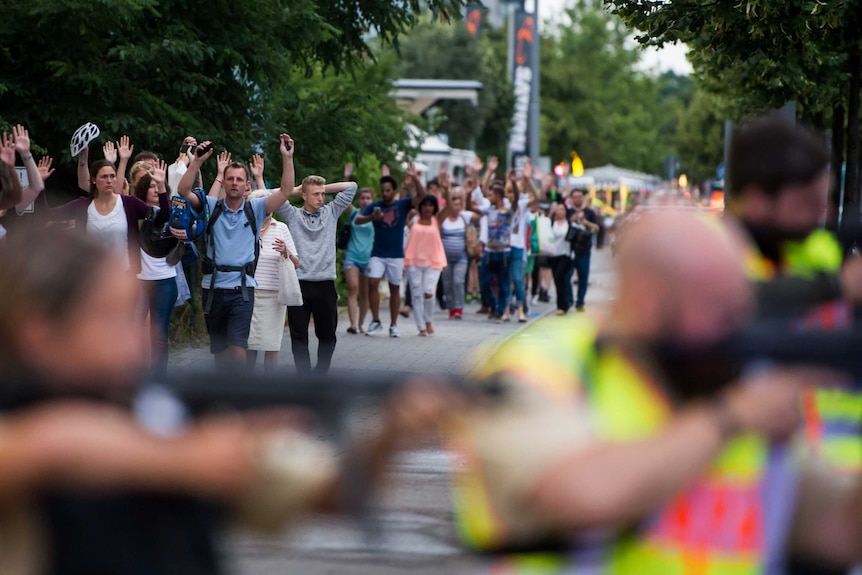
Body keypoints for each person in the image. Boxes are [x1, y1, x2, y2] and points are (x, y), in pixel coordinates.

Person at [0, 228, 452, 575]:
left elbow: (331, 496)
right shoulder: (22, 420)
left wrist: (390, 433)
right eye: (111, 319)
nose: (138, 338)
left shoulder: (160, 412)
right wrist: (181, 458)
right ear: (38, 332)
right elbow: (47, 446)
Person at [449, 209, 862, 573]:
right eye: (721, 312)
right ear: (649, 302)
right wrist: (728, 418)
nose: (738, 330)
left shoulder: (731, 385)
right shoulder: (541, 365)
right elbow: (580, 495)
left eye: (743, 309)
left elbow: (838, 535)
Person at [175, 135, 297, 366]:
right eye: (230, 178)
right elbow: (183, 191)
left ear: (246, 185)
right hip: (213, 288)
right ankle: (225, 395)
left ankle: (240, 397)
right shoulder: (211, 206)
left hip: (242, 290)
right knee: (220, 354)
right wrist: (197, 162)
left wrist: (287, 157)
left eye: (239, 179)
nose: (234, 182)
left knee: (238, 348)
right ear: (225, 181)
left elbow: (287, 191)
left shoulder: (256, 209)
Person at [277, 172, 357, 374]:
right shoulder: (292, 214)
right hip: (299, 283)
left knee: (328, 334)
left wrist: (323, 187)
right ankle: (304, 377)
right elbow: (265, 196)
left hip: (325, 283)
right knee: (298, 334)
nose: (320, 198)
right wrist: (293, 190)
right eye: (315, 194)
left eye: (322, 194)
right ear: (304, 195)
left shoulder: (331, 212)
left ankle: (321, 374)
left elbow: (352, 186)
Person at [356, 164, 427, 338]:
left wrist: (415, 178)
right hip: (377, 254)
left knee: (395, 288)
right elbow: (357, 220)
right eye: (383, 190)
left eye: (388, 190)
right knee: (372, 283)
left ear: (394, 190)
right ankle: (375, 321)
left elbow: (422, 197)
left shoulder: (402, 205)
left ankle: (394, 325)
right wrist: (372, 217)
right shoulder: (375, 206)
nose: (385, 193)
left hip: (395, 255)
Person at [132, 162, 179, 380]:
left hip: (164, 281)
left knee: (158, 333)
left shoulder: (168, 214)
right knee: (136, 330)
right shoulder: (136, 213)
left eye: (157, 186)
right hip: (139, 281)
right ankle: (138, 375)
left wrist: (161, 184)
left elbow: (165, 210)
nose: (154, 188)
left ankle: (158, 380)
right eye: (150, 186)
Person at [245, 189, 299, 372]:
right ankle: (247, 385)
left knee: (271, 344)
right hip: (247, 293)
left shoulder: (281, 227)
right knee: (249, 343)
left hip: (274, 295)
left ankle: (269, 385)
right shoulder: (244, 226)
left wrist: (286, 252)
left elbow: (297, 262)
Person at [404, 195, 448, 336]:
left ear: (434, 207)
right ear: (420, 206)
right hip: (414, 261)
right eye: (425, 205)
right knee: (417, 294)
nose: (427, 208)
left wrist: (447, 190)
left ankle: (428, 320)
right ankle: (421, 327)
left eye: (430, 205)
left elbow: (449, 209)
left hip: (433, 261)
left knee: (429, 292)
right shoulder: (414, 219)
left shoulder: (437, 220)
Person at [438, 183, 480, 319]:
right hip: (445, 258)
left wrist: (468, 197)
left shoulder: (464, 216)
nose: (456, 207)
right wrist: (446, 190)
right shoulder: (444, 219)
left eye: (458, 205)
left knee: (458, 281)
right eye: (453, 204)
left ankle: (459, 308)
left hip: (461, 257)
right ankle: (451, 307)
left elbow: (479, 216)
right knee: (447, 283)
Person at [343, 186, 375, 334]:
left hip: (368, 258)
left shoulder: (376, 216)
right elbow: (344, 199)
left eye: (368, 198)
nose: (365, 201)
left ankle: (362, 324)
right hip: (352, 255)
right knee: (353, 288)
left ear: (372, 200)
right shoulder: (354, 213)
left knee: (365, 292)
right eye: (362, 198)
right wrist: (346, 179)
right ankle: (353, 324)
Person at [566, 189, 599, 312]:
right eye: (575, 197)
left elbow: (596, 228)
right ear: (571, 198)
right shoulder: (568, 212)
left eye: (580, 197)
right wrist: (573, 218)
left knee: (583, 277)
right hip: (569, 249)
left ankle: (580, 302)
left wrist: (585, 221)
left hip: (584, 249)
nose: (578, 199)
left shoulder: (589, 212)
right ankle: (569, 299)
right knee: (566, 276)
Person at [547, 203, 574, 315]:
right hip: (554, 255)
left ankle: (562, 304)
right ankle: (563, 304)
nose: (560, 212)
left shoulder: (569, 224)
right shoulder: (552, 223)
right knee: (557, 280)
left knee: (560, 277)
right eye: (558, 210)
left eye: (562, 209)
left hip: (565, 254)